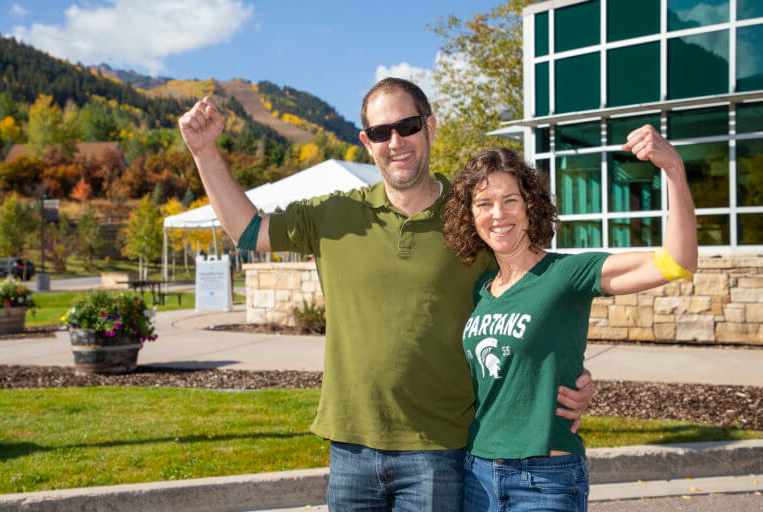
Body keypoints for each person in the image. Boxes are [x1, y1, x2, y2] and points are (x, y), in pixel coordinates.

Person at [178, 77, 593, 511]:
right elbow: (247, 230)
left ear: (430, 127)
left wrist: (567, 374)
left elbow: (536, 291)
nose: (395, 141)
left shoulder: (475, 216)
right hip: (351, 451)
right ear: (366, 142)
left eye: (407, 126)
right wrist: (204, 153)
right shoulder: (334, 215)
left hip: (440, 452)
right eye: (380, 132)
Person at [442, 127, 698, 511]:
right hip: (478, 473)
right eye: (483, 203)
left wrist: (674, 170)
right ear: (471, 215)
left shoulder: (566, 274)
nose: (498, 214)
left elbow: (676, 262)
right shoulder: (481, 289)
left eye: (510, 200)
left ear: (531, 206)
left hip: (545, 478)